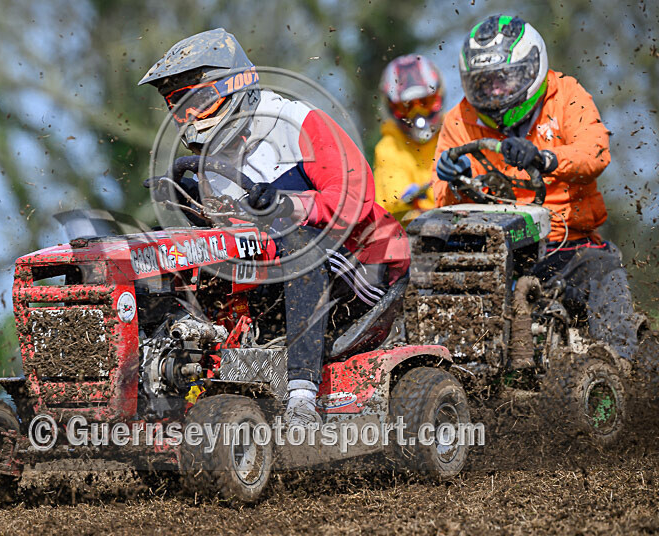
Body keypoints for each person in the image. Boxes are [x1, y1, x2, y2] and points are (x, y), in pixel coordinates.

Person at [139, 28, 410, 426]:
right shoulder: (214, 162)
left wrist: (288, 203)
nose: (191, 119)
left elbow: (356, 199)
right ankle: (160, 389)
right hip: (287, 271)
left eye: (198, 104)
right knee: (186, 267)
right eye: (180, 109)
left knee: (297, 242)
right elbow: (237, 237)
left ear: (233, 89)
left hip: (367, 264)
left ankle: (303, 396)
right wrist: (190, 203)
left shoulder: (299, 123)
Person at [432, 14, 643, 362]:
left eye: (503, 80)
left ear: (531, 68)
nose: (495, 93)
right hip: (497, 248)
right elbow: (441, 200)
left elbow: (596, 152)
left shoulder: (566, 95)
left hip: (568, 242)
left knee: (603, 271)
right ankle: (455, 365)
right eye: (484, 84)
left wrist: (545, 158)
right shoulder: (458, 120)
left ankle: (622, 367)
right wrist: (453, 180)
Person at [374, 55, 444, 225]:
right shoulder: (388, 148)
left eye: (425, 102)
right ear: (392, 108)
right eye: (406, 107)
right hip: (417, 236)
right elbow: (391, 197)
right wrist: (404, 198)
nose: (417, 115)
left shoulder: (455, 130)